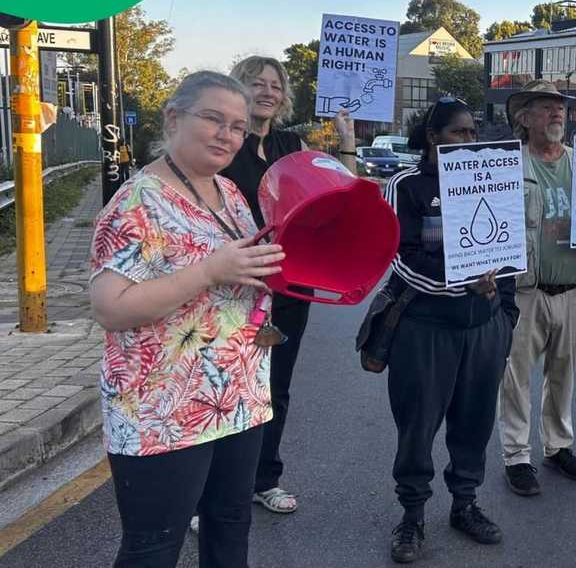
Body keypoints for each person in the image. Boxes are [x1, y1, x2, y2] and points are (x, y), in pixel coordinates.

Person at [89, 71, 285, 567]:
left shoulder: (230, 193)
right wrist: (211, 271)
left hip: (236, 398)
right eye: (214, 119)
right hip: (162, 409)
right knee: (153, 547)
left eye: (238, 126)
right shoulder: (137, 201)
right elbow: (110, 308)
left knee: (230, 525)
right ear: (174, 118)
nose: (227, 135)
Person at [383, 97, 519, 564]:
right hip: (425, 330)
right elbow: (398, 258)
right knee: (418, 426)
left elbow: (507, 254)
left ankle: (465, 504)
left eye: (472, 133)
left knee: (475, 423)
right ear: (432, 137)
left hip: (482, 331)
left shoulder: (494, 179)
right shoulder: (407, 186)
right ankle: (412, 516)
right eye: (458, 132)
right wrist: (458, 282)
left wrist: (504, 317)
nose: (468, 140)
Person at [219, 56, 356, 516]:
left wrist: (347, 142)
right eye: (256, 83)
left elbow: (340, 198)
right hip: (234, 285)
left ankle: (264, 478)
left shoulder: (290, 145)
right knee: (225, 386)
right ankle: (214, 492)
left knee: (275, 388)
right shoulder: (223, 146)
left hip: (289, 284)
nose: (267, 92)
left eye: (275, 85)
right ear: (237, 88)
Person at [498, 80, 576, 496]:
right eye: (546, 108)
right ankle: (516, 456)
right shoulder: (507, 167)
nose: (557, 114)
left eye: (560, 108)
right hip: (526, 290)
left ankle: (557, 445)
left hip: (575, 289)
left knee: (564, 374)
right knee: (517, 377)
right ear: (524, 119)